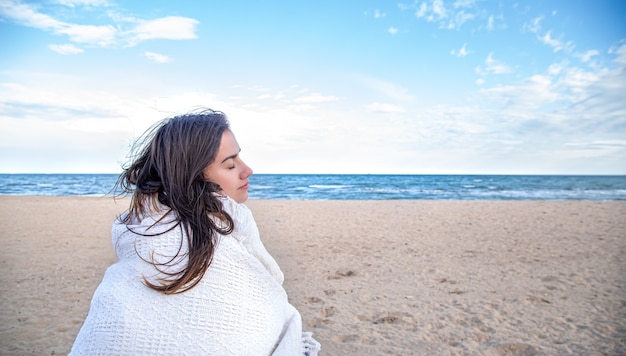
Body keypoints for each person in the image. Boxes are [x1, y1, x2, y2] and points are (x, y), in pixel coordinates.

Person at [70, 109, 320, 355]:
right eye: (231, 164)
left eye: (239, 158)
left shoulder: (142, 228)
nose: (247, 170)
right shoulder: (168, 242)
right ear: (194, 177)